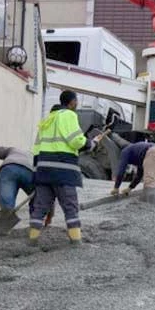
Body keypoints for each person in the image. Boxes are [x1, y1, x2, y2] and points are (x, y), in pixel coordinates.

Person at [28, 90, 93, 246]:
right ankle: (76, 241)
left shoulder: (47, 120)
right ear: (72, 102)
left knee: (40, 207)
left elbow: (36, 150)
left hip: (44, 171)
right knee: (70, 207)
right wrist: (90, 143)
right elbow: (76, 141)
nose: (77, 104)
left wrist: (37, 174)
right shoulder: (69, 115)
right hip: (63, 171)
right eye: (76, 101)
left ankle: (32, 241)